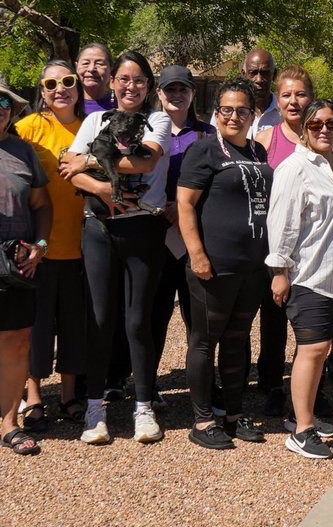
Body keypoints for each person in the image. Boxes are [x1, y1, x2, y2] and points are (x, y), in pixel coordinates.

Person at [63, 50, 172, 445]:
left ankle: (143, 406)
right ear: (112, 83)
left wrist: (87, 163)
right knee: (99, 318)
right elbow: (67, 167)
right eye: (124, 79)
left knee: (138, 321)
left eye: (139, 80)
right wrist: (101, 188)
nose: (131, 86)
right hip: (98, 230)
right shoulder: (95, 119)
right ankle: (95, 409)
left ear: (149, 86)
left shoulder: (157, 120)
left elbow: (143, 163)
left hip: (143, 229)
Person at [265, 99, 333, 460]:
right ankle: (302, 431)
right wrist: (279, 271)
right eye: (316, 125)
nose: (324, 129)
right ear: (305, 128)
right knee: (312, 349)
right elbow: (282, 222)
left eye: (331, 124)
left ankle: (300, 413)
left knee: (320, 349)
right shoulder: (294, 167)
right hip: (308, 273)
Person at [176, 78, 273, 449]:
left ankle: (233, 413)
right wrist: (196, 254)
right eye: (227, 110)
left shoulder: (258, 151)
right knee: (204, 341)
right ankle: (202, 421)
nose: (235, 116)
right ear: (216, 113)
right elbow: (185, 204)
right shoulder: (203, 151)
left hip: (251, 266)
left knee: (237, 338)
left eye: (242, 110)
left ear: (253, 114)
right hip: (214, 264)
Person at [16, 62, 85, 429]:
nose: (61, 89)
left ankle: (69, 396)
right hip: (38, 248)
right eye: (51, 83)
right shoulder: (27, 129)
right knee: (37, 325)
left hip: (82, 245)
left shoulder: (91, 126)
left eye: (68, 81)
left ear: (78, 86)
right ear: (41, 90)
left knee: (75, 325)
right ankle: (34, 397)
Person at [253, 66, 315, 417]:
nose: (294, 101)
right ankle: (274, 384)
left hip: (313, 247)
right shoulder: (265, 140)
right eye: (287, 94)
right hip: (274, 244)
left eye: (301, 94)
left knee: (309, 320)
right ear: (278, 98)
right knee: (273, 317)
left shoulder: (325, 137)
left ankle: (309, 387)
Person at [150, 65, 213, 394]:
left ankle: (201, 387)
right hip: (154, 233)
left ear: (192, 93)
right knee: (154, 315)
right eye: (169, 89)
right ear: (158, 92)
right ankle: (148, 385)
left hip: (192, 236)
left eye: (183, 89)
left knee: (197, 317)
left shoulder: (207, 134)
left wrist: (185, 209)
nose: (176, 95)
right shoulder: (145, 130)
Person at [0, 78, 52, 457]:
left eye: (5, 102)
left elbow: (40, 204)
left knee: (16, 342)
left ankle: (9, 424)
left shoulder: (23, 152)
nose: (0, 107)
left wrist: (42, 245)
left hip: (14, 258)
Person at [75, 42, 116, 115]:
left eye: (99, 63)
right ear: (76, 66)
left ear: (111, 68)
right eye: (86, 63)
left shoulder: (122, 104)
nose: (91, 69)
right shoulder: (68, 104)